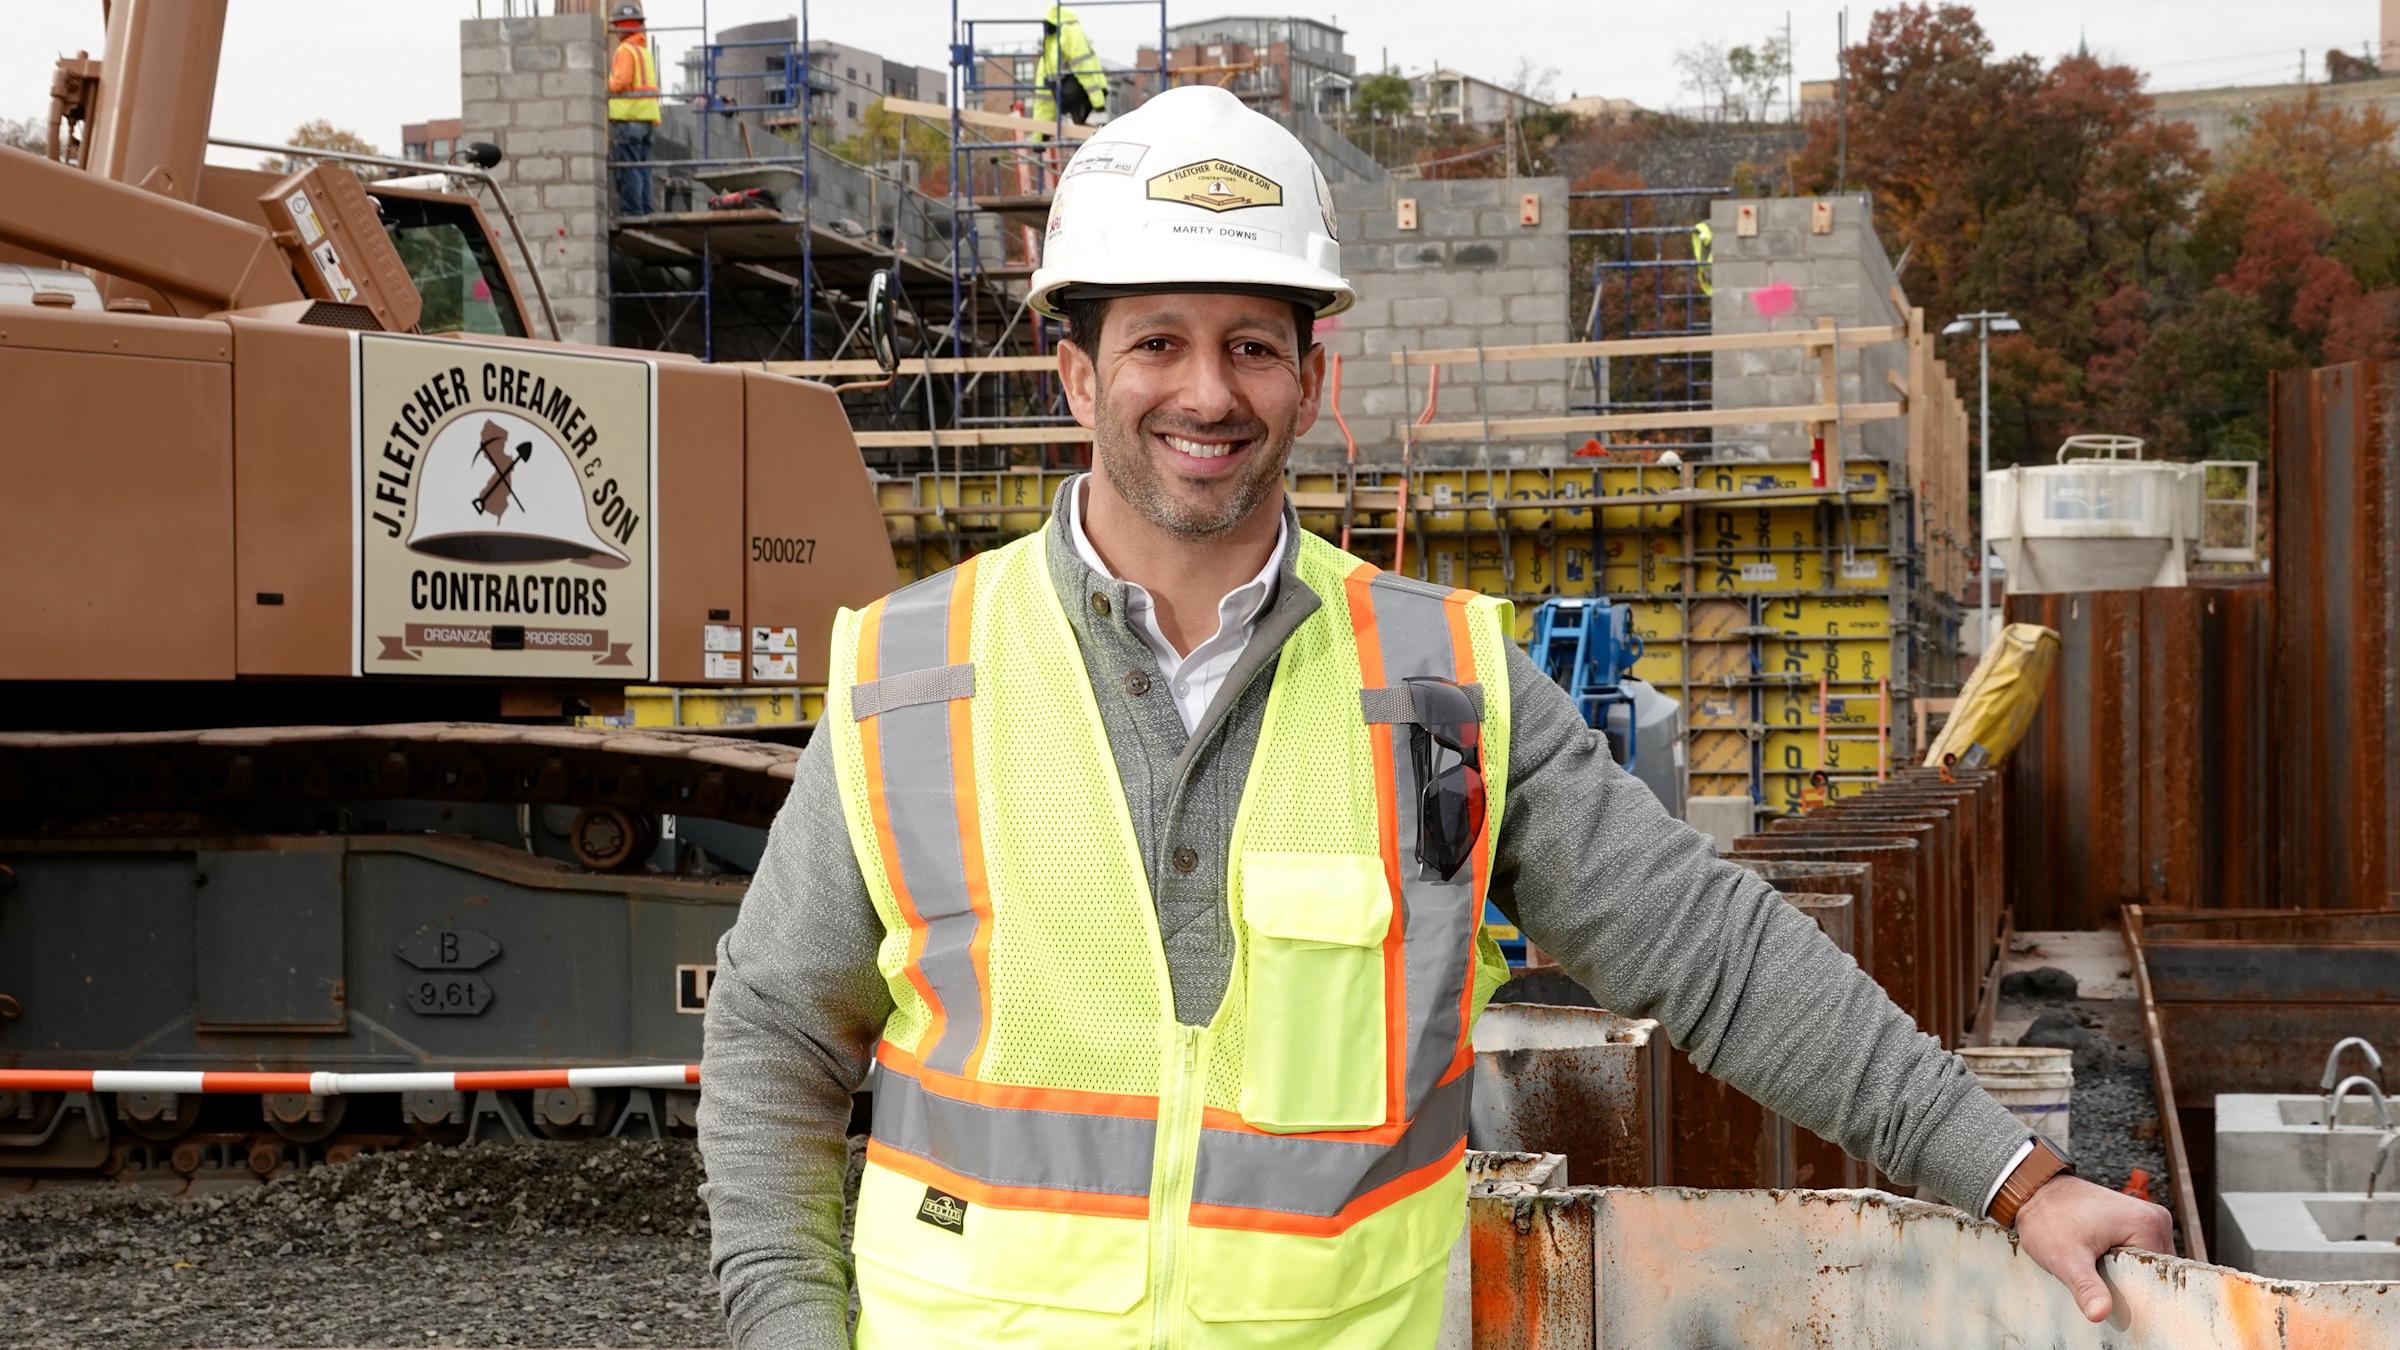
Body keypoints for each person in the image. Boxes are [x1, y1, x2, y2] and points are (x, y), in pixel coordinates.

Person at [698, 84, 2171, 1348]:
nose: (1205, 392)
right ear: (1076, 367)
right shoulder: (913, 673)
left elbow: (1713, 954)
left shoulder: (1444, 683)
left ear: (1309, 377)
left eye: (1251, 344)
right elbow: (775, 1041)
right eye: (1157, 342)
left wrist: (2015, 1175)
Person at [606, 1, 660, 216]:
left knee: (629, 168)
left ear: (619, 27)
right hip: (646, 120)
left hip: (629, 119)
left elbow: (620, 83)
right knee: (643, 168)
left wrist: (605, 81)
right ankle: (645, 211)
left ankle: (633, 213)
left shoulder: (625, 51)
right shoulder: (643, 52)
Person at [1031, 3, 1107, 133]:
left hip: (1087, 94)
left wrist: (1098, 104)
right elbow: (1043, 95)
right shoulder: (1050, 46)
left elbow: (1084, 70)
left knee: (1092, 133)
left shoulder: (1069, 33)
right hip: (1073, 95)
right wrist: (1039, 135)